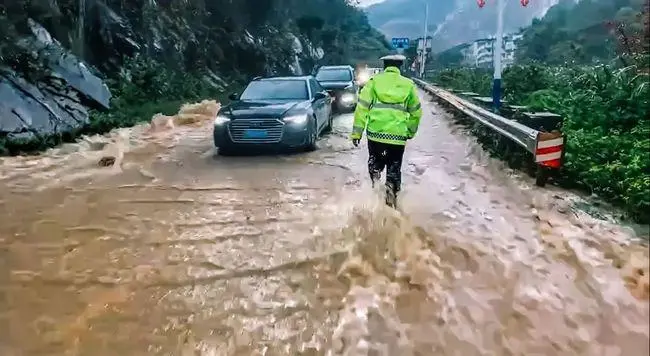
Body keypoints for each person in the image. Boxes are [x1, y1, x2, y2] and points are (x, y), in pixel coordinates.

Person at [350, 54, 423, 208]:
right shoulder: (408, 85)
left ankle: (375, 190)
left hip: (376, 136)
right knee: (394, 169)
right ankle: (391, 195)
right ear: (400, 67)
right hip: (397, 138)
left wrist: (357, 133)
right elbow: (416, 112)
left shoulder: (374, 82)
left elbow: (361, 108)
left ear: (384, 66)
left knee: (375, 164)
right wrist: (410, 131)